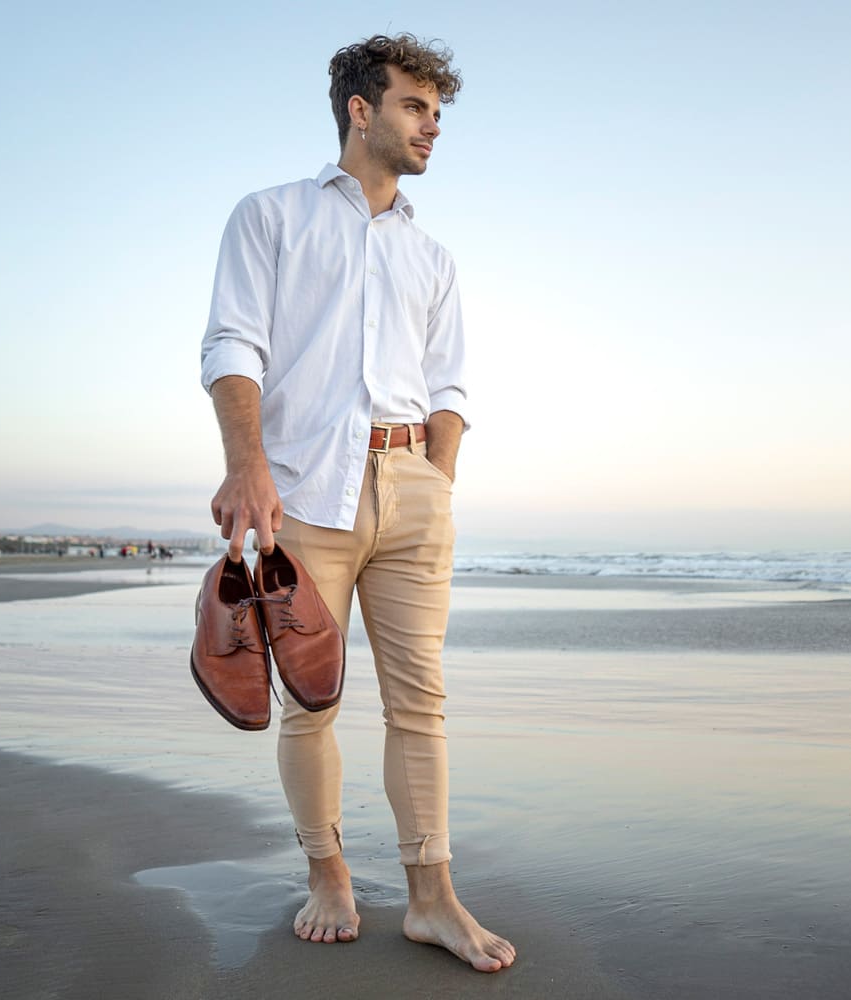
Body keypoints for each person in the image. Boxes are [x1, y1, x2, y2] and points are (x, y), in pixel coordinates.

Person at [199, 33, 515, 973]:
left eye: (438, 111)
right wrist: (247, 465)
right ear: (361, 109)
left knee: (422, 700)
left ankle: (431, 898)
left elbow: (452, 386)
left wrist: (434, 480)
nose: (433, 126)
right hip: (304, 495)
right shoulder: (271, 217)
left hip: (412, 488)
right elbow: (231, 346)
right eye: (416, 106)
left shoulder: (434, 257)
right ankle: (328, 873)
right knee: (312, 700)